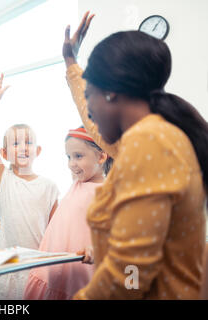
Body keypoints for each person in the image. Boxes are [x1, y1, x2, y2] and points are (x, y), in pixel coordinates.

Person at [63, 12, 208, 299]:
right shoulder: (149, 135)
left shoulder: (149, 143)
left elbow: (131, 273)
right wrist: (71, 64)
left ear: (111, 94)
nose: (88, 110)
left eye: (90, 95)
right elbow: (93, 124)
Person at [0, 72, 59, 299]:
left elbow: (56, 230)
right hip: (6, 265)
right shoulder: (4, 178)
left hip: (36, 266)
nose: (23, 147)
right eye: (16, 143)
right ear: (5, 153)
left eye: (28, 142)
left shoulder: (50, 187)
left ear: (38, 151)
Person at [24, 126, 111, 300]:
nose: (71, 164)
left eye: (78, 156)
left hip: (78, 276)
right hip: (51, 270)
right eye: (69, 157)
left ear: (101, 156)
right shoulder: (78, 183)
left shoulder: (107, 193)